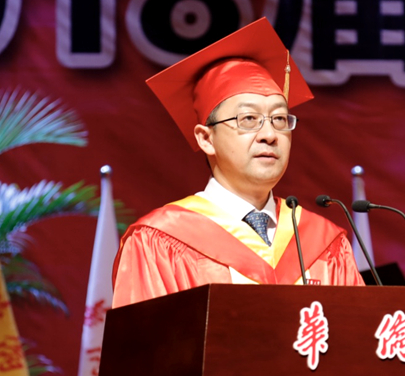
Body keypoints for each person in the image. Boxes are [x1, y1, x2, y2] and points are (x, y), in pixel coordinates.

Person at [112, 18, 364, 308]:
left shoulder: (324, 242)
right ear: (206, 139)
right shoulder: (159, 240)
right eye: (249, 119)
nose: (270, 135)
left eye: (280, 119)